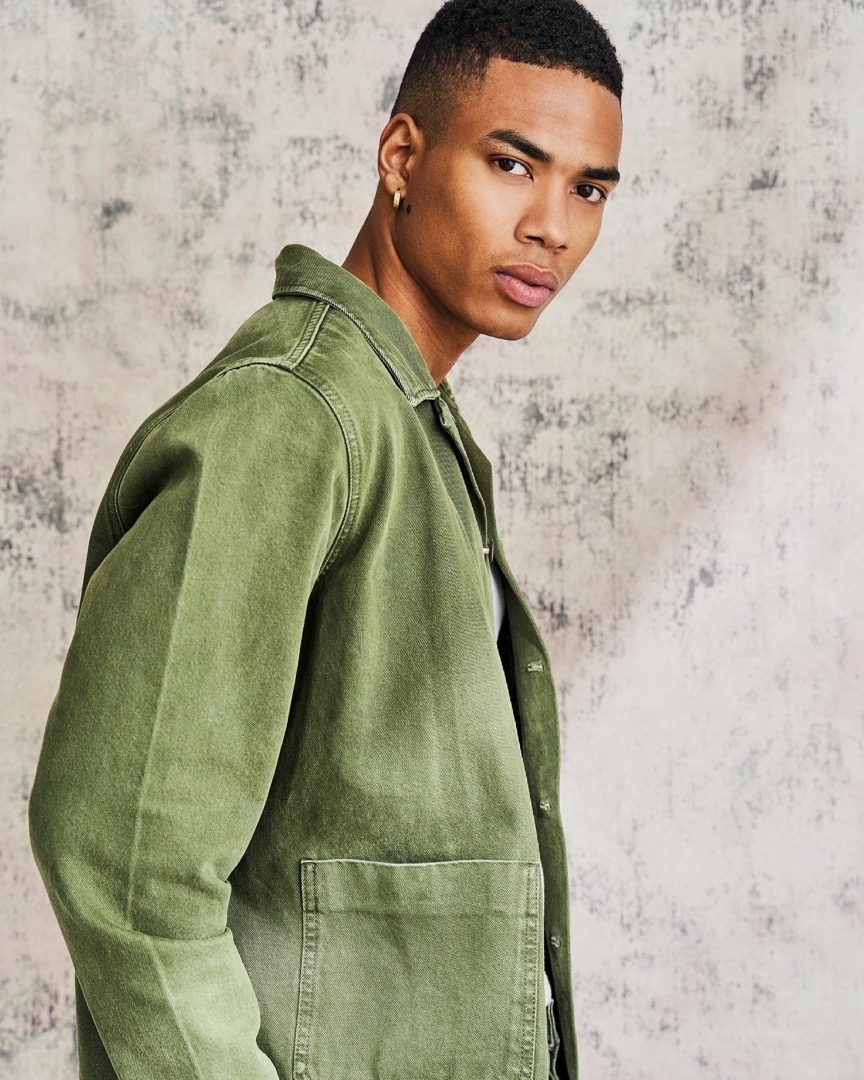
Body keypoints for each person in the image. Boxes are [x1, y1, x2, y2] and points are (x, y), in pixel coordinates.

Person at [28, 1, 623, 1078]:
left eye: (588, 188)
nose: (553, 225)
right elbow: (124, 861)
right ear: (403, 156)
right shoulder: (290, 417)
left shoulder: (405, 420)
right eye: (511, 164)